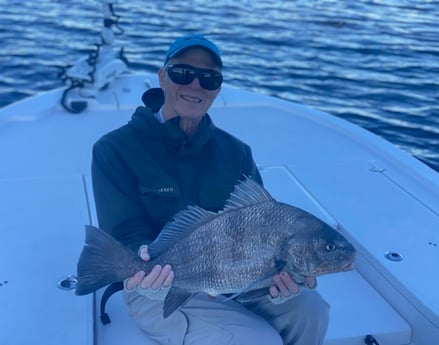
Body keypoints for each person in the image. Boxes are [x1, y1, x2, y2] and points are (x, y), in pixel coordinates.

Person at [91, 33, 330, 345]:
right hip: (160, 285)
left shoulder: (237, 152)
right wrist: (144, 261)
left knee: (312, 310)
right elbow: (124, 233)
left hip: (239, 277)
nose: (195, 85)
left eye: (209, 79)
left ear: (217, 89)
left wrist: (284, 278)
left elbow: (262, 222)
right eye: (183, 73)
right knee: (258, 340)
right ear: (163, 77)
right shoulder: (114, 149)